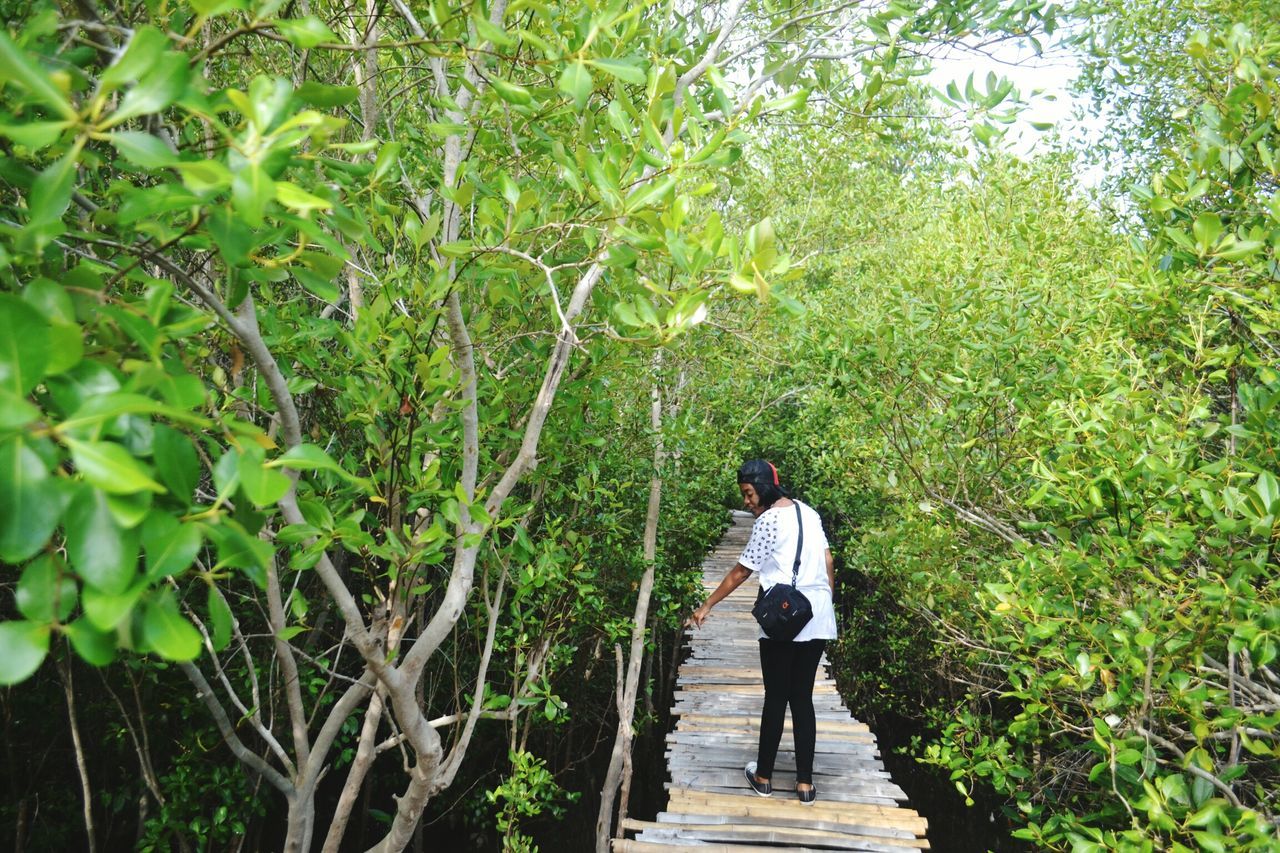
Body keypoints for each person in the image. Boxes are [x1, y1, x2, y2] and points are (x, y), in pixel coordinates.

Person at [689, 459, 837, 805]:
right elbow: (828, 562)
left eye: (749, 493)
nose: (747, 502)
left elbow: (742, 571)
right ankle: (805, 785)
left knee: (776, 696)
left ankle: (764, 776)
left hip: (784, 617)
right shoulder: (810, 512)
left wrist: (706, 606)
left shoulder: (769, 520)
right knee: (801, 698)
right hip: (816, 615)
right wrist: (824, 600)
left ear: (764, 489)